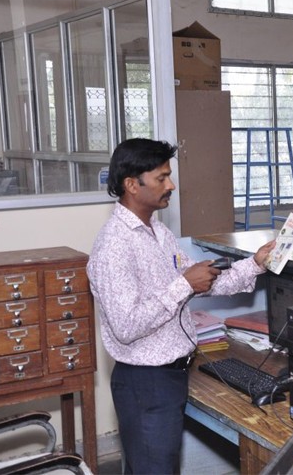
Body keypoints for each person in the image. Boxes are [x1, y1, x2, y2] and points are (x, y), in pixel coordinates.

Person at [87, 138, 275, 474]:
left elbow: (200, 282)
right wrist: (183, 284)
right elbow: (126, 326)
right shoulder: (114, 246)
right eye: (161, 178)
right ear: (132, 185)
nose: (171, 185)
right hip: (145, 383)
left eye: (169, 176)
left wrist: (255, 264)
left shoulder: (158, 233)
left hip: (170, 376)